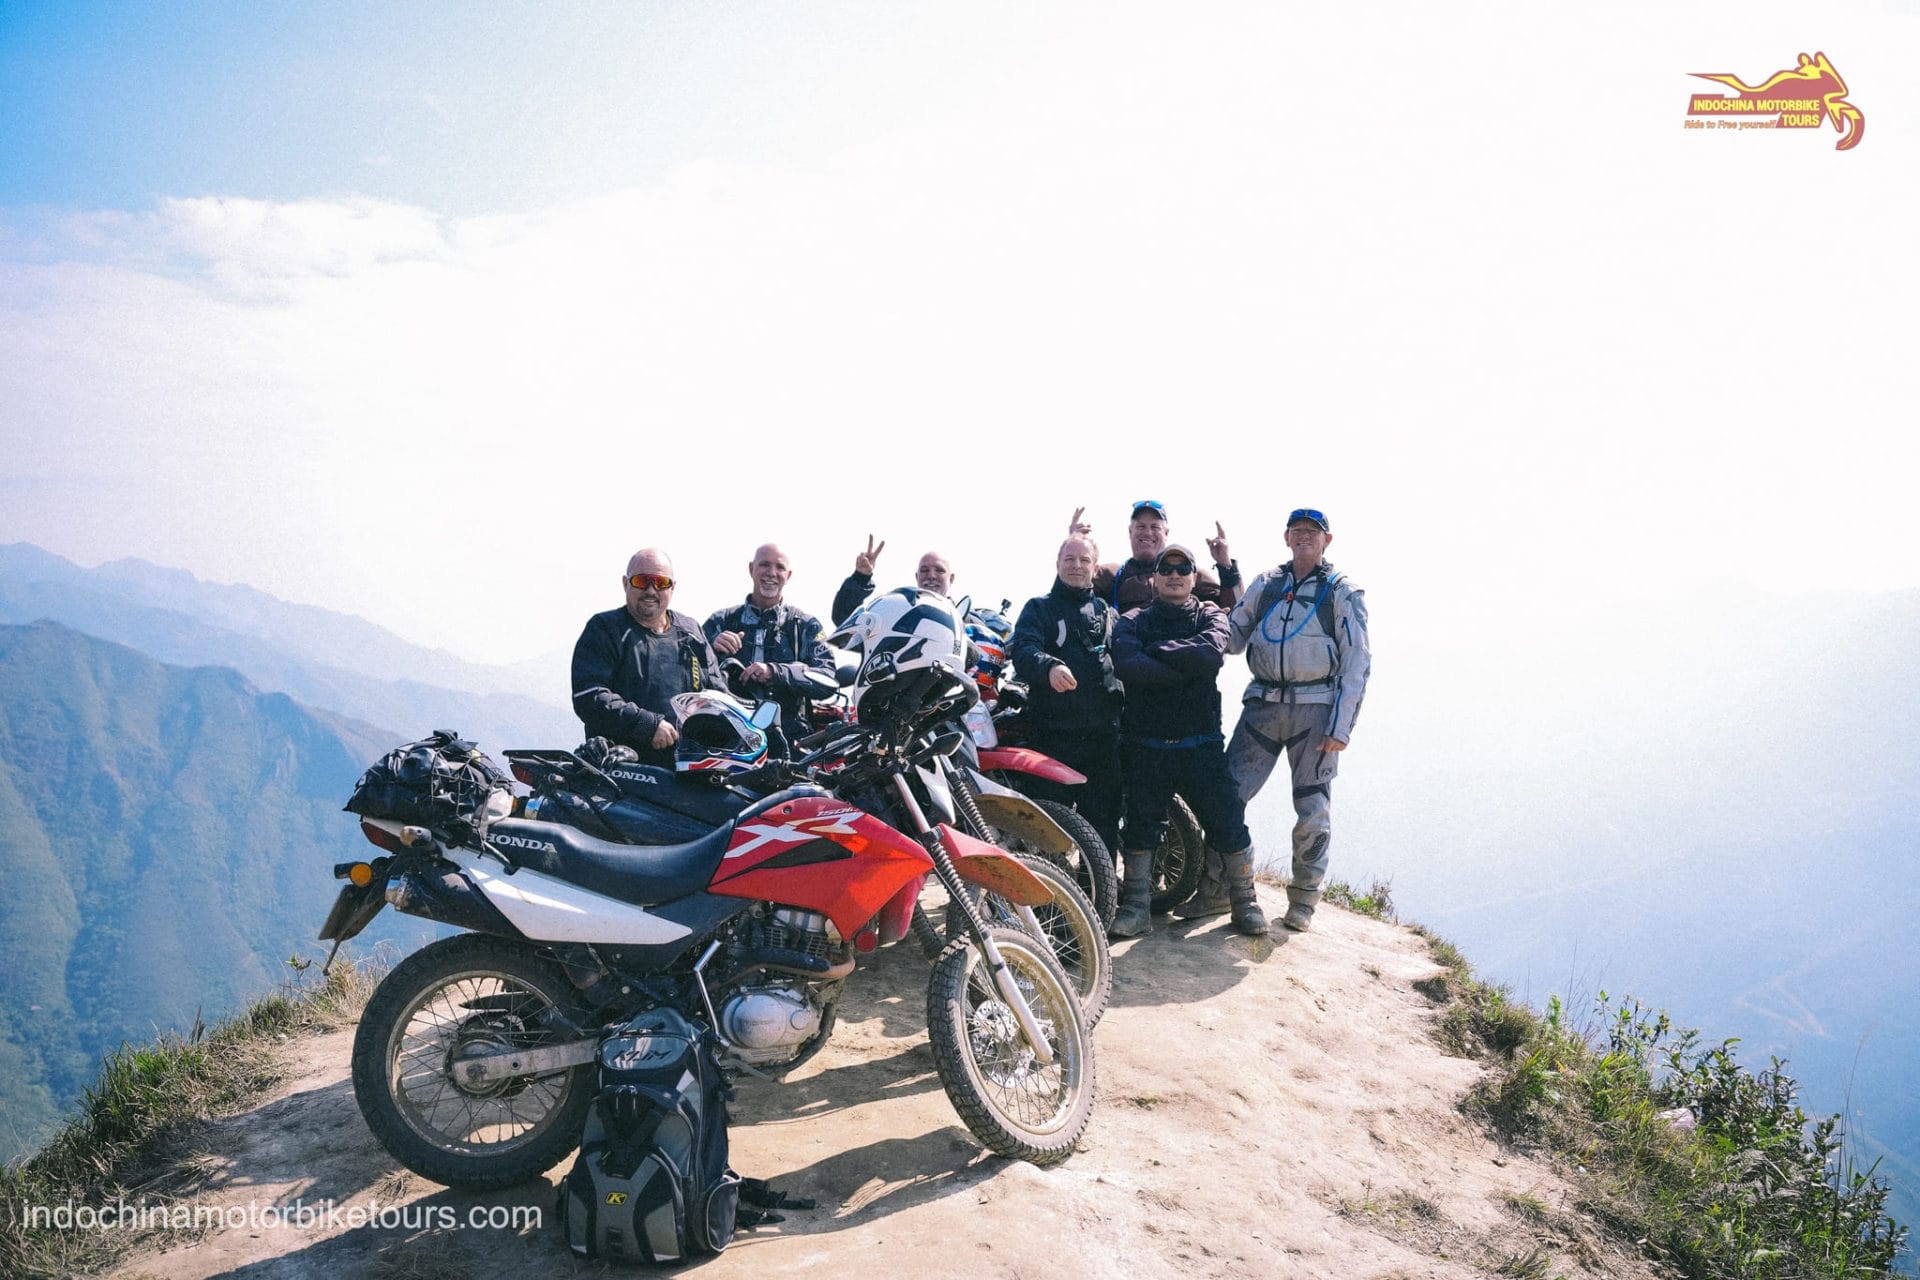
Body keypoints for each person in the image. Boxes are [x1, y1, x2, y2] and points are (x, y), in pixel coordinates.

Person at [1222, 507, 1371, 932]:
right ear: (1286, 537)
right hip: (1263, 706)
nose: (1305, 537)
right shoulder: (1267, 585)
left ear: (1328, 540)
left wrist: (1341, 727)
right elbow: (1233, 637)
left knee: (1312, 809)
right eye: (1298, 531)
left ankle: (1304, 900)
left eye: (1313, 532)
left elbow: (1357, 661)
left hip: (1316, 711)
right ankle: (1223, 889)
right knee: (1227, 798)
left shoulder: (1343, 591)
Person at [1109, 543, 1268, 939]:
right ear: (1155, 577)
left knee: (1228, 821)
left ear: (1194, 579)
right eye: (1167, 568)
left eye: (1184, 569)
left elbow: (1211, 655)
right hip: (1145, 744)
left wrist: (1157, 654)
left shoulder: (1210, 614)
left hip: (1201, 743)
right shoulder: (1131, 621)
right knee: (1142, 826)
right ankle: (1136, 907)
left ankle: (1245, 903)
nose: (1175, 575)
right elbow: (1128, 666)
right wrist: (1181, 664)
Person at [1009, 535, 1124, 857]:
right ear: (1058, 564)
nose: (1076, 566)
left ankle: (1101, 901)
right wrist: (1048, 667)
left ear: (1095, 567)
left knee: (1103, 826)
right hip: (1051, 739)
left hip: (1103, 741)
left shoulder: (1107, 613)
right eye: (1069, 559)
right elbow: (1024, 648)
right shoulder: (1038, 608)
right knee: (1047, 831)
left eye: (1084, 560)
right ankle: (1049, 904)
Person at [571, 548, 728, 769]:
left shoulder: (691, 632)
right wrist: (647, 725)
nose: (651, 590)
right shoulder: (605, 629)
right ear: (626, 584)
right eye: (642, 581)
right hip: (622, 771)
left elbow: (718, 696)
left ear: (673, 588)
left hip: (687, 771)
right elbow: (589, 695)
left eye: (660, 582)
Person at [703, 542, 836, 734]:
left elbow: (828, 678)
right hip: (728, 737)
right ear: (751, 569)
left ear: (788, 575)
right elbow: (687, 677)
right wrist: (711, 650)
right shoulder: (719, 622)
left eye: (780, 567)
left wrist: (776, 672)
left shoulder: (805, 625)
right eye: (765, 564)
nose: (772, 573)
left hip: (789, 742)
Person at [1072, 501, 1243, 614]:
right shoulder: (1111, 574)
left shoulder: (1188, 573)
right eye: (1141, 526)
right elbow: (1069, 601)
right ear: (1130, 532)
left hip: (1181, 661)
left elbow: (1237, 618)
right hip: (1128, 661)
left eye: (1155, 527)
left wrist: (1226, 566)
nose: (1147, 532)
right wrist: (1075, 547)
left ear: (1166, 533)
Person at [830, 536, 958, 623]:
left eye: (939, 570)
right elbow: (845, 620)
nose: (931, 575)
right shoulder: (899, 617)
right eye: (924, 570)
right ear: (917, 577)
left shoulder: (968, 623)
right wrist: (861, 578)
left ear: (951, 578)